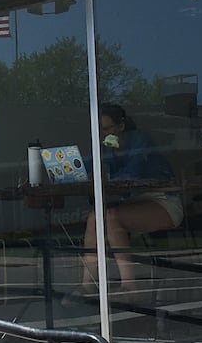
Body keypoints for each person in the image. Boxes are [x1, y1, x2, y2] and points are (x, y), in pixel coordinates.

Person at [79, 104, 184, 296]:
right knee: (95, 217)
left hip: (163, 201)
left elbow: (132, 174)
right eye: (98, 129)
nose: (102, 134)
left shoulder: (139, 141)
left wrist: (101, 177)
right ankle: (87, 284)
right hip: (133, 204)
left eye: (106, 128)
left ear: (121, 127)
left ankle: (129, 285)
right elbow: (84, 168)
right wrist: (64, 173)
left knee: (109, 217)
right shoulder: (105, 150)